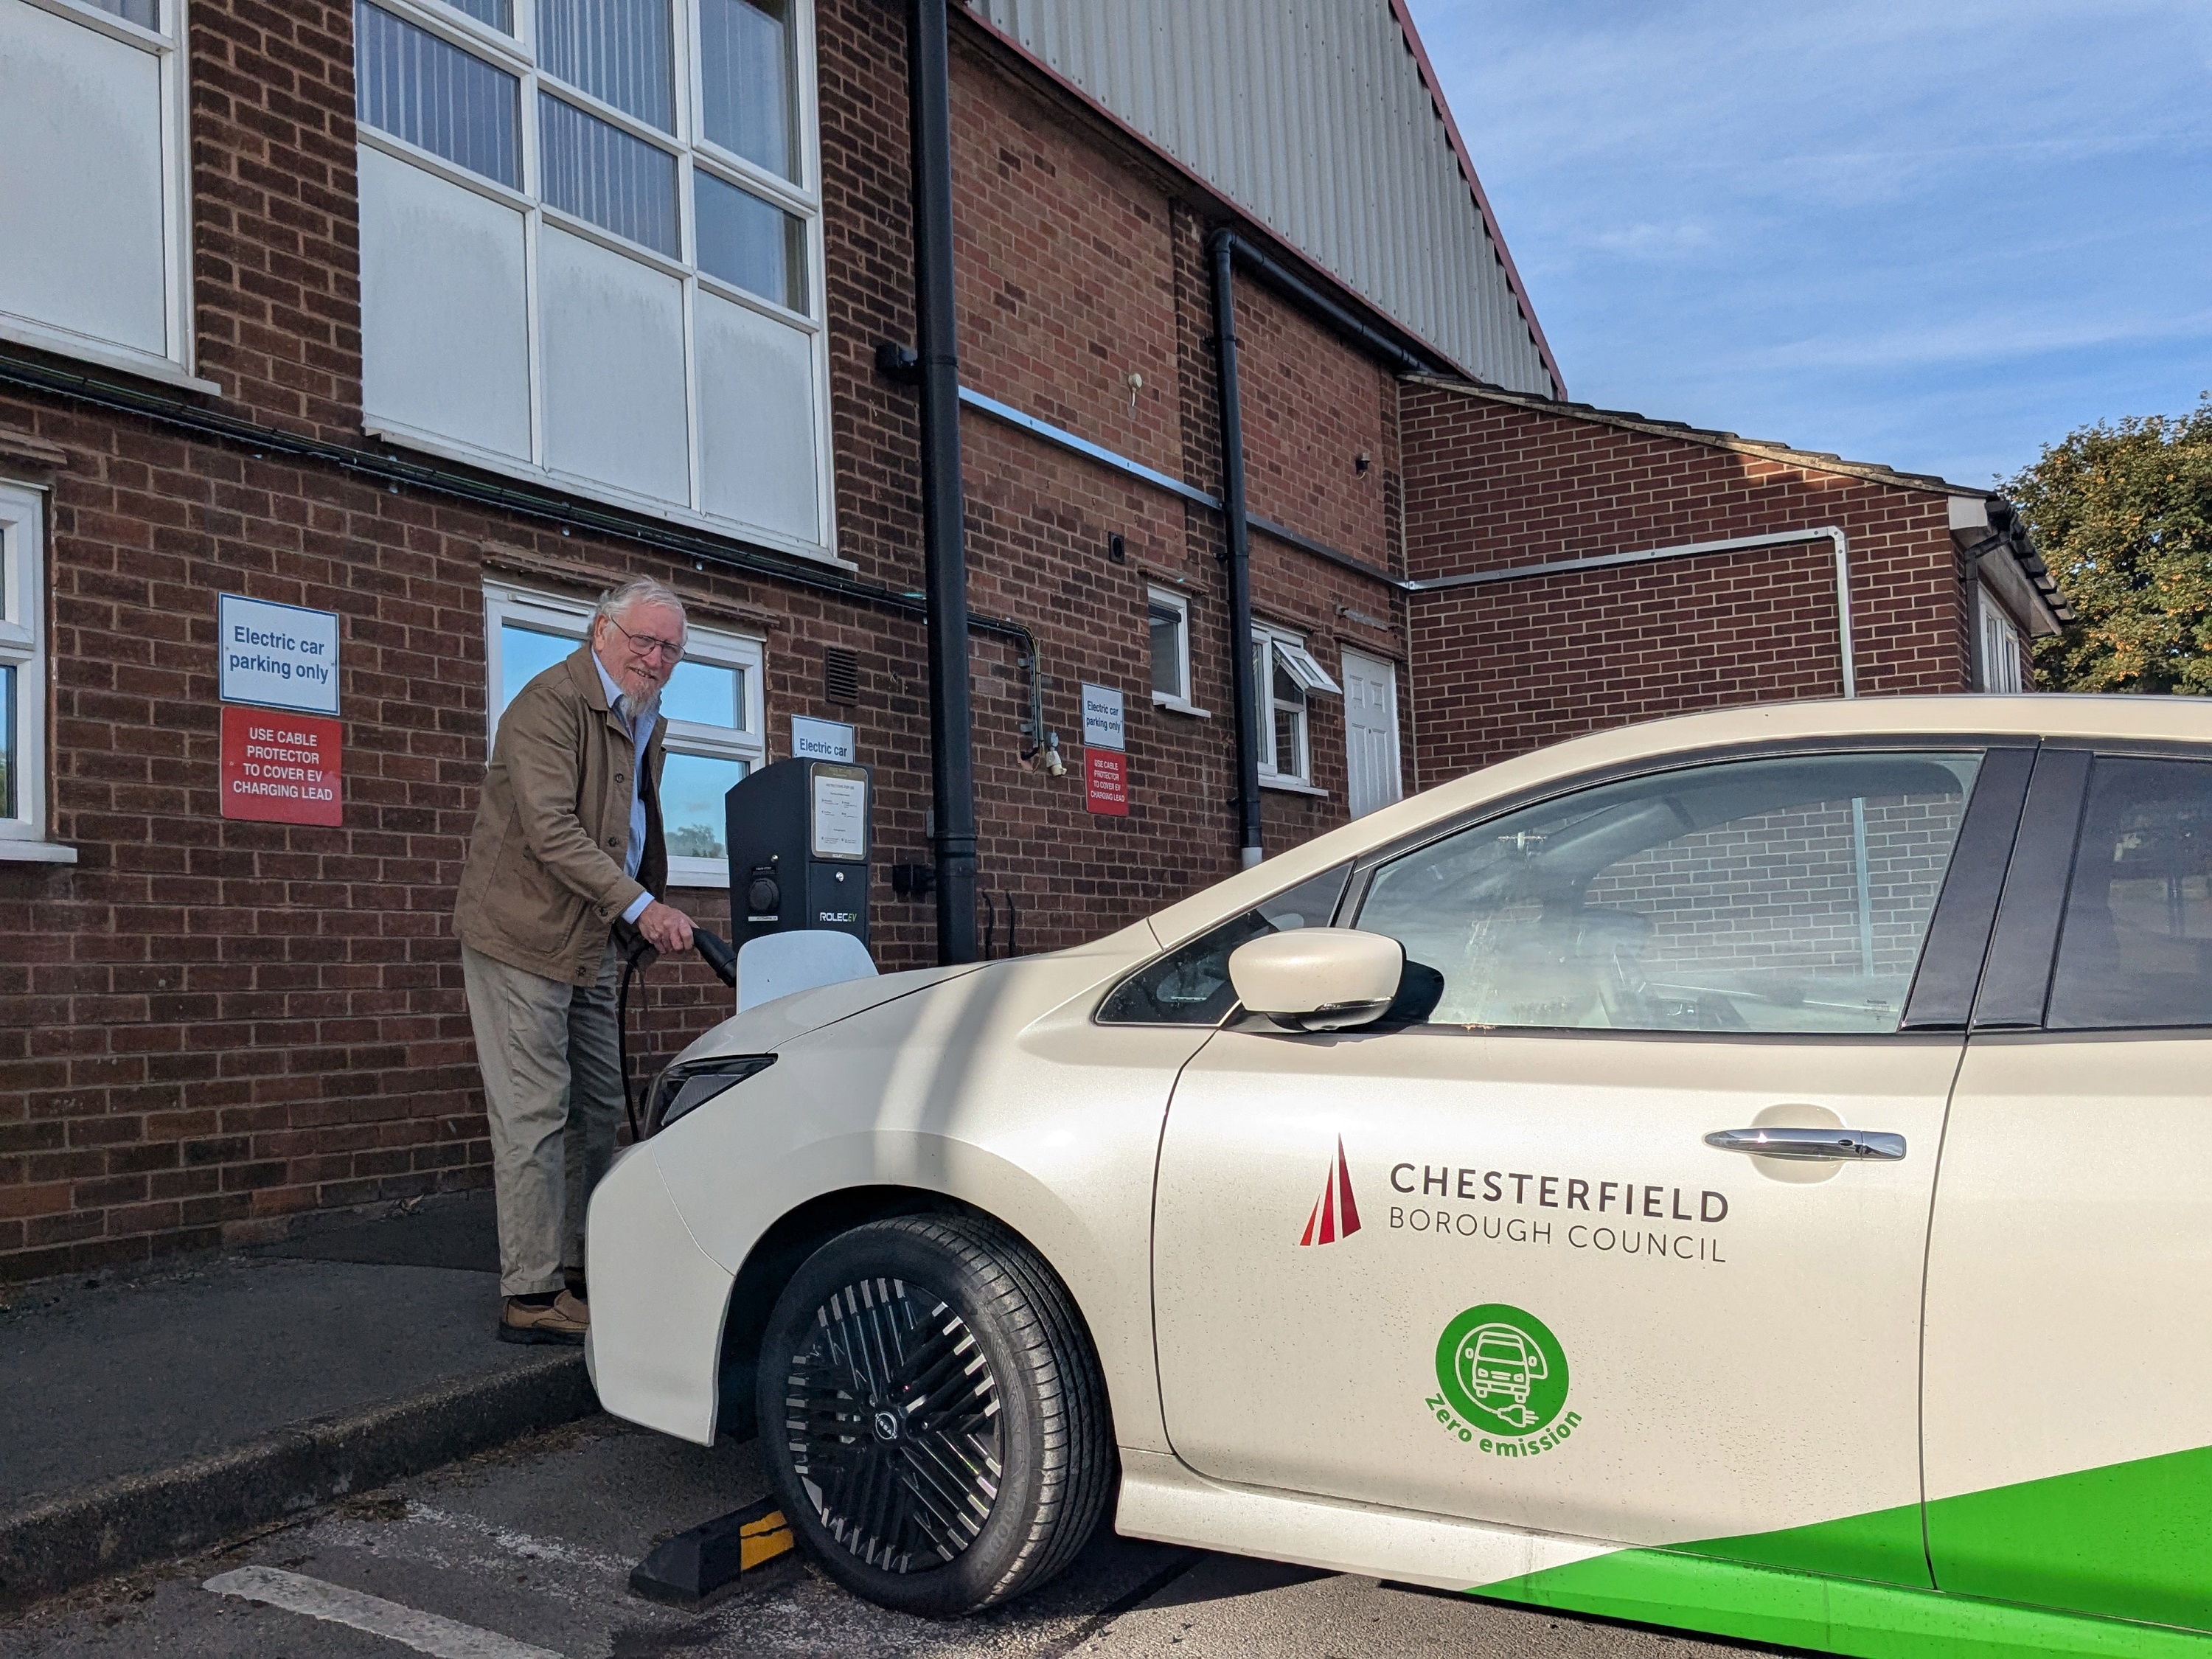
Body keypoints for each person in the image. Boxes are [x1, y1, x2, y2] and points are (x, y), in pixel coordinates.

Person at [453, 577, 698, 1344]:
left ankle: (586, 1265)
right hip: (522, 935)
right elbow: (554, 830)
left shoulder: (643, 714)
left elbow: (633, 825)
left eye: (670, 648)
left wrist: (633, 908)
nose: (655, 658)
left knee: (598, 1109)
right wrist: (643, 907)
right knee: (533, 1111)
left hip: (591, 936)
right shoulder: (547, 706)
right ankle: (529, 1294)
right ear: (601, 632)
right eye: (643, 641)